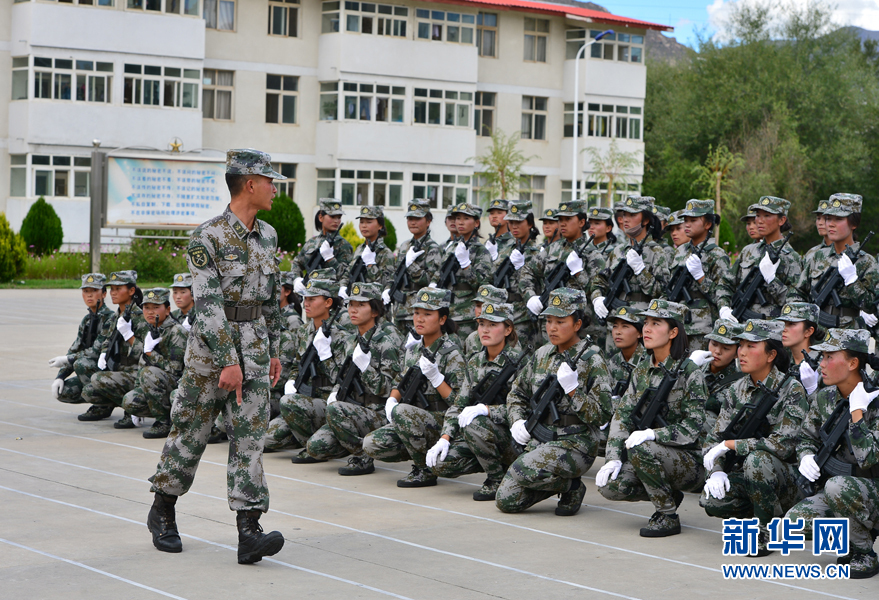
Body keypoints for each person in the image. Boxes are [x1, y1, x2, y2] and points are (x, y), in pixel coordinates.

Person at [147, 148, 285, 564]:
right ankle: (163, 511)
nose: (275, 188)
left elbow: (272, 300)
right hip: (211, 356)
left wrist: (274, 350)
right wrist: (228, 360)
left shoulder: (270, 236)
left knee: (250, 439)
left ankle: (248, 532)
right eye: (270, 181)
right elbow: (206, 307)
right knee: (190, 434)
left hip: (256, 349)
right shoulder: (207, 237)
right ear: (250, 184)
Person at [496, 288, 612, 515]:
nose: (552, 328)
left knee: (521, 469)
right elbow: (516, 394)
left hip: (576, 443)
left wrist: (573, 391)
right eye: (549, 321)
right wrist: (517, 421)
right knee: (506, 500)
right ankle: (569, 487)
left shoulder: (592, 359)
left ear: (577, 324)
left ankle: (572, 483)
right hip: (541, 439)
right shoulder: (542, 355)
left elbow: (602, 415)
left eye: (560, 321)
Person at [597, 299, 707, 537]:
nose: (646, 329)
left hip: (689, 460)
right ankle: (667, 494)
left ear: (673, 332)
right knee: (609, 486)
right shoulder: (641, 370)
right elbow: (622, 416)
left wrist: (653, 434)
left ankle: (667, 515)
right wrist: (613, 458)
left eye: (656, 324)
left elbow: (693, 427)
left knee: (642, 447)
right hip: (650, 455)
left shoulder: (689, 372)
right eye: (646, 322)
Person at [700, 319, 809, 556]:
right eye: (741, 345)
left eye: (751, 346)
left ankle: (763, 531)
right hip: (752, 474)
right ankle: (757, 512)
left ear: (771, 355)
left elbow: (783, 444)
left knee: (757, 460)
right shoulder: (735, 389)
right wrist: (716, 471)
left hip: (787, 479)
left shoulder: (791, 389)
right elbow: (714, 439)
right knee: (712, 500)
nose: (742, 352)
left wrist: (732, 445)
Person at [786, 328, 879, 579]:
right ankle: (853, 535)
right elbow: (806, 436)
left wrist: (857, 413)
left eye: (829, 357)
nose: (822, 365)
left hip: (873, 488)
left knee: (837, 486)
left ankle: (863, 553)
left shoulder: (876, 400)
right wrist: (805, 455)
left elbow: (868, 457)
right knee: (793, 523)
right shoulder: (825, 397)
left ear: (853, 362)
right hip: (844, 491)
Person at [363, 287, 471, 487]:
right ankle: (418, 449)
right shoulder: (414, 351)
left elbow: (459, 403)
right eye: (416, 313)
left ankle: (423, 469)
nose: (419, 319)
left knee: (403, 411)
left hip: (440, 421)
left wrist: (437, 379)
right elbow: (401, 380)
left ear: (441, 319)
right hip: (412, 421)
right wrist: (392, 399)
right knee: (372, 443)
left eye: (427, 314)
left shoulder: (451, 353)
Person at [431, 301, 525, 499]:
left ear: (508, 329)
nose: (485, 330)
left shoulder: (521, 362)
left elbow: (526, 409)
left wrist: (488, 410)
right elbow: (459, 404)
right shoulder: (474, 361)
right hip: (481, 435)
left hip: (513, 438)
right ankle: (488, 461)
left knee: (475, 423)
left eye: (493, 325)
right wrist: (445, 438)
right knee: (440, 464)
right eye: (482, 324)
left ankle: (496, 479)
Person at [313, 282, 403, 475]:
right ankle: (362, 445)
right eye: (351, 304)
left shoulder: (386, 342)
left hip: (377, 413)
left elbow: (389, 389)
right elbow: (341, 377)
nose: (353, 310)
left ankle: (362, 456)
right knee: (316, 447)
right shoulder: (351, 341)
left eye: (361, 305)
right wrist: (336, 389)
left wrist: (366, 368)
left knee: (336, 410)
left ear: (375, 311)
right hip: (353, 410)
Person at [265, 268, 352, 459]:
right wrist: (293, 380)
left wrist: (326, 356)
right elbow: (297, 363)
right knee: (267, 438)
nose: (306, 303)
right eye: (305, 299)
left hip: (327, 401)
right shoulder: (304, 331)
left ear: (328, 302)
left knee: (290, 406)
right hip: (305, 400)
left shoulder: (342, 336)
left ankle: (317, 442)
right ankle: (309, 435)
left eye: (313, 299)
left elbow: (342, 378)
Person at [593, 196, 670, 354]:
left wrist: (641, 271)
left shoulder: (657, 252)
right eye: (624, 215)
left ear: (646, 219)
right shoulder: (617, 251)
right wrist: (597, 298)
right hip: (616, 327)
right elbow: (598, 282)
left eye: (632, 215)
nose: (625, 219)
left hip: (641, 329)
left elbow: (663, 293)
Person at [793, 194, 879, 329]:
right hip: (815, 333)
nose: (830, 224)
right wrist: (805, 322)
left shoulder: (867, 262)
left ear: (854, 223)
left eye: (838, 219)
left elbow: (870, 307)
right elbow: (797, 292)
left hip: (848, 336)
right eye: (828, 218)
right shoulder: (818, 256)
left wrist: (852, 281)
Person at [522, 200, 605, 341]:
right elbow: (527, 271)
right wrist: (530, 296)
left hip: (581, 329)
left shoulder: (593, 255)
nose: (563, 223)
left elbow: (597, 291)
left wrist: (579, 273)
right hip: (551, 326)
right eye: (560, 220)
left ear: (581, 222)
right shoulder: (552, 249)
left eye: (568, 219)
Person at [79, 270, 148, 427]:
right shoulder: (115, 317)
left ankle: (133, 410)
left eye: (118, 289)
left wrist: (129, 336)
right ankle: (120, 406)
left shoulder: (141, 317)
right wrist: (104, 354)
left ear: (131, 291)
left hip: (136, 373)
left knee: (98, 379)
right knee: (88, 391)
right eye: (112, 289)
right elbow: (106, 339)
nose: (113, 293)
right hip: (120, 371)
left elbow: (146, 353)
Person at [122, 288, 189, 439]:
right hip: (158, 383)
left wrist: (151, 354)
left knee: (149, 373)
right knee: (130, 401)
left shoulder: (176, 332)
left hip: (178, 385)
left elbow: (176, 370)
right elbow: (142, 366)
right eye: (146, 307)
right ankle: (166, 415)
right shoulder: (152, 329)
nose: (150, 312)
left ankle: (164, 422)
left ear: (168, 309)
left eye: (156, 307)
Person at [668, 199, 734, 351]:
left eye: (693, 220)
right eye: (685, 220)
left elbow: (722, 296)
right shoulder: (680, 251)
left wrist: (701, 278)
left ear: (707, 224)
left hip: (702, 329)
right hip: (678, 324)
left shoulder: (717, 255)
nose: (687, 224)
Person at [729, 196, 801, 319]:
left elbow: (796, 303)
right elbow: (726, 283)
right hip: (742, 325)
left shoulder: (791, 258)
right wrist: (724, 307)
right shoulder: (748, 251)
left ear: (781, 220)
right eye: (757, 215)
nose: (759, 221)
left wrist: (772, 281)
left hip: (771, 330)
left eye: (767, 216)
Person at [49, 272, 115, 405]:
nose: (89, 295)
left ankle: (103, 405)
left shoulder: (110, 318)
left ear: (104, 294)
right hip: (93, 369)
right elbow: (75, 349)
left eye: (94, 290)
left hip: (110, 372)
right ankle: (99, 400)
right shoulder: (87, 320)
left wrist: (67, 359)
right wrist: (61, 376)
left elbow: (96, 351)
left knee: (81, 364)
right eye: (85, 291)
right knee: (65, 391)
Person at [435, 202, 492, 340]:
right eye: (458, 218)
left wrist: (466, 266)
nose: (460, 222)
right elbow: (439, 273)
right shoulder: (450, 248)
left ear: (476, 223)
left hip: (466, 315)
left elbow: (483, 284)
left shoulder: (480, 251)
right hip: (446, 313)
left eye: (466, 218)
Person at [390, 199, 443, 331]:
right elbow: (396, 273)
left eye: (417, 218)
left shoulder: (433, 248)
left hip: (417, 310)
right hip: (400, 309)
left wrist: (411, 265)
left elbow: (431, 280)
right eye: (410, 218)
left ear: (428, 221)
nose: (413, 222)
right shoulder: (404, 246)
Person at [495, 199, 541, 346]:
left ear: (530, 224)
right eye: (511, 222)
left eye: (519, 222)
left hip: (523, 316)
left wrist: (521, 267)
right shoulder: (504, 249)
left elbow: (538, 286)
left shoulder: (538, 253)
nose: (514, 226)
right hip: (502, 313)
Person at [290, 198, 353, 293]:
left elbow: (346, 276)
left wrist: (330, 259)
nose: (336, 221)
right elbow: (297, 263)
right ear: (321, 217)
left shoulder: (344, 245)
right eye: (332, 216)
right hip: (309, 294)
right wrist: (297, 279)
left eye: (339, 217)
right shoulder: (311, 242)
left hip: (330, 296)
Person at [696, 319, 746, 434]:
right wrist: (689, 368)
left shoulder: (740, 380)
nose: (717, 351)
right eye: (714, 344)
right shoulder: (698, 365)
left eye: (726, 348)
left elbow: (711, 403)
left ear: (737, 353)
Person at [338, 205, 395, 295]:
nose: (364, 226)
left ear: (380, 225)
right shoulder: (360, 249)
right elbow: (348, 272)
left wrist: (370, 265)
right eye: (361, 222)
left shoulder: (385, 253)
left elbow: (386, 284)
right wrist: (343, 286)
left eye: (369, 222)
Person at [777, 302, 824, 397]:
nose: (784, 329)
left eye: (791, 324)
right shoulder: (782, 361)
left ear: (808, 331)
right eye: (783, 324)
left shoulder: (821, 364)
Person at [463, 284, 508, 357]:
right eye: (478, 306)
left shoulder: (510, 340)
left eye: (486, 307)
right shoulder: (472, 338)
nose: (480, 311)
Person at [484, 198, 513, 262]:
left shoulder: (513, 242)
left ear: (508, 217)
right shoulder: (488, 243)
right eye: (491, 213)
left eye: (499, 213)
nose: (494, 216)